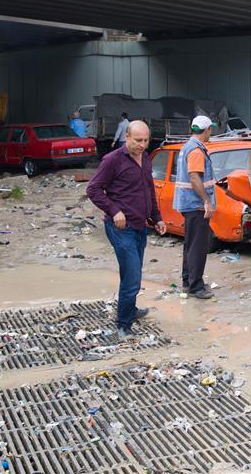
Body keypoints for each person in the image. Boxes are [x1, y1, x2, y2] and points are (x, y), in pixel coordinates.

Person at [87, 120, 166, 339]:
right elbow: (93, 189)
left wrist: (157, 218)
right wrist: (114, 211)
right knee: (132, 277)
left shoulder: (145, 161)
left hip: (141, 226)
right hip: (121, 227)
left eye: (146, 140)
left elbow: (149, 190)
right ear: (127, 137)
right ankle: (123, 325)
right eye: (138, 140)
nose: (142, 145)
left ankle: (129, 310)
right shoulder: (112, 160)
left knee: (132, 273)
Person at [173, 115, 218, 300]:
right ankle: (196, 287)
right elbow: (194, 178)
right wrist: (206, 201)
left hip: (188, 204)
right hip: (195, 205)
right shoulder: (196, 150)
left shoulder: (187, 147)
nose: (211, 132)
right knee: (198, 246)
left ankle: (188, 281)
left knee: (190, 245)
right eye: (210, 129)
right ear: (207, 130)